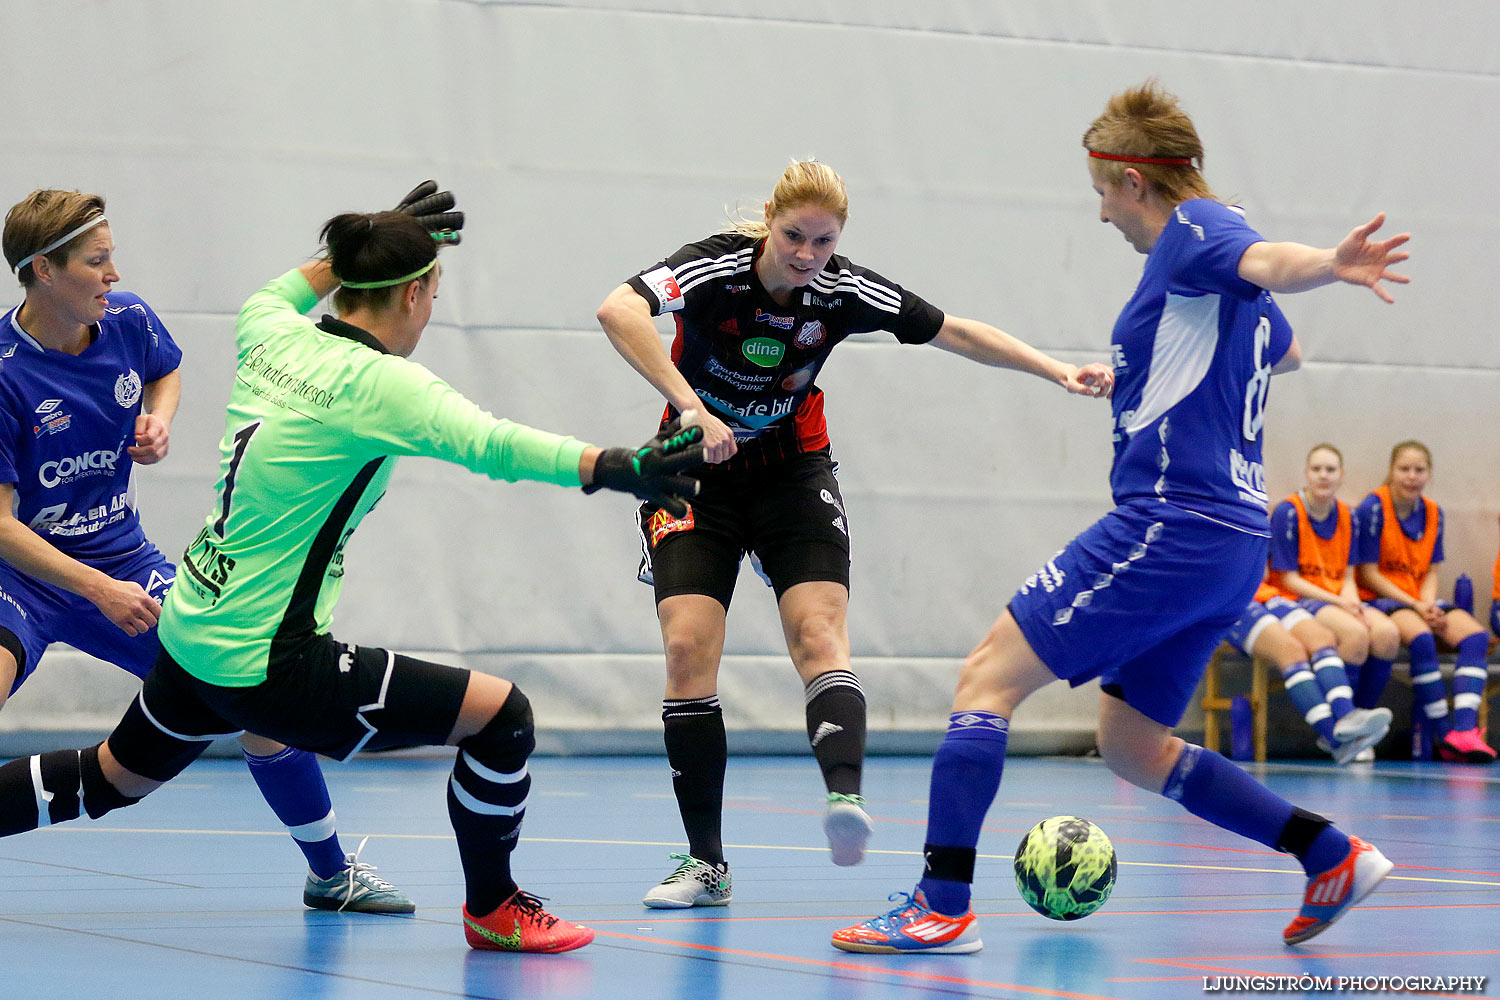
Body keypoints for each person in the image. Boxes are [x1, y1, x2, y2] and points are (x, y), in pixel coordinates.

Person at [0, 182, 704, 953]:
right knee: (502, 718)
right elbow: (493, 443)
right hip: (264, 659)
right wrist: (614, 465)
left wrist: (362, 241)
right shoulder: (384, 387)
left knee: (109, 780)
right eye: (432, 291)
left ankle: (346, 875)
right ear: (410, 295)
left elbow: (287, 286)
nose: (431, 308)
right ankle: (494, 907)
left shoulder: (267, 328)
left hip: (192, 631)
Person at [832, 79, 1410, 955]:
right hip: (1232, 543)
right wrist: (1147, 381)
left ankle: (939, 902)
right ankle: (1327, 853)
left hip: (1172, 523)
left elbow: (1264, 263)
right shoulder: (1198, 276)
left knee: (988, 677)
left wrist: (1329, 263)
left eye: (1103, 189)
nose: (1102, 212)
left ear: (1137, 181)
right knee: (1134, 745)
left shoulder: (1197, 231)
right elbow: (1280, 352)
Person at [596, 159, 1113, 908]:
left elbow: (955, 331)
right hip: (696, 473)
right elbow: (618, 310)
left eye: (824, 242)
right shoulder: (711, 269)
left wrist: (1056, 370)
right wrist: (690, 408)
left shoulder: (843, 290)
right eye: (794, 236)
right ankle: (706, 864)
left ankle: (844, 799)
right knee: (686, 649)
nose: (808, 256)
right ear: (769, 221)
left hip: (791, 474)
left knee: (818, 633)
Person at [0, 189, 412, 913]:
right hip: (20, 576)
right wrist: (95, 590)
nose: (113, 274)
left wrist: (159, 419)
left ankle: (330, 873)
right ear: (41, 271)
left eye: (111, 257)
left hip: (123, 559)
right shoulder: (4, 372)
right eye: (96, 262)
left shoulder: (127, 323)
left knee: (251, 694)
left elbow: (165, 371)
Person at [1354, 441, 1495, 763]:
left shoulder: (1433, 512)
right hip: (1379, 598)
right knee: (1420, 638)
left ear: (1429, 474)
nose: (1412, 476)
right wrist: (1417, 606)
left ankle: (1464, 730)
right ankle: (1443, 733)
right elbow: (1369, 574)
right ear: (1391, 471)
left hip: (1418, 598)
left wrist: (1428, 603)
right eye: (1404, 469)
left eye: (1419, 470)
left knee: (1476, 638)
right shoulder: (1374, 508)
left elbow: (1432, 570)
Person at [1265, 443, 1404, 760]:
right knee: (1355, 634)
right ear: (1306, 474)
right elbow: (1286, 578)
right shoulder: (1288, 512)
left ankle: (1362, 725)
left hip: (1335, 598)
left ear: (1341, 475)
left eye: (1330, 470)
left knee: (1386, 635)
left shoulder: (1348, 516)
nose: (1323, 476)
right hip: (1297, 598)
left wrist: (1352, 602)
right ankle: (1345, 722)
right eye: (1316, 469)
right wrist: (1341, 604)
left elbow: (1348, 575)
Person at [1221, 586, 1390, 764]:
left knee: (1322, 638)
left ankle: (1346, 717)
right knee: (1291, 651)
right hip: (1232, 596)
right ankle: (1336, 740)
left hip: (1269, 594)